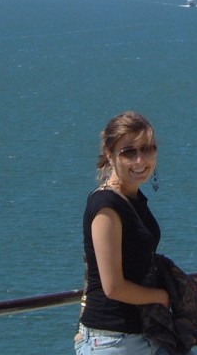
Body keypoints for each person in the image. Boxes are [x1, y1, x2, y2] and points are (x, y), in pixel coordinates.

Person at [76, 111, 172, 355]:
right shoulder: (106, 207)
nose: (140, 160)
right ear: (109, 154)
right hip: (112, 341)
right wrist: (163, 296)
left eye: (148, 149)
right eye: (129, 152)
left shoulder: (133, 198)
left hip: (146, 334)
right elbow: (113, 287)